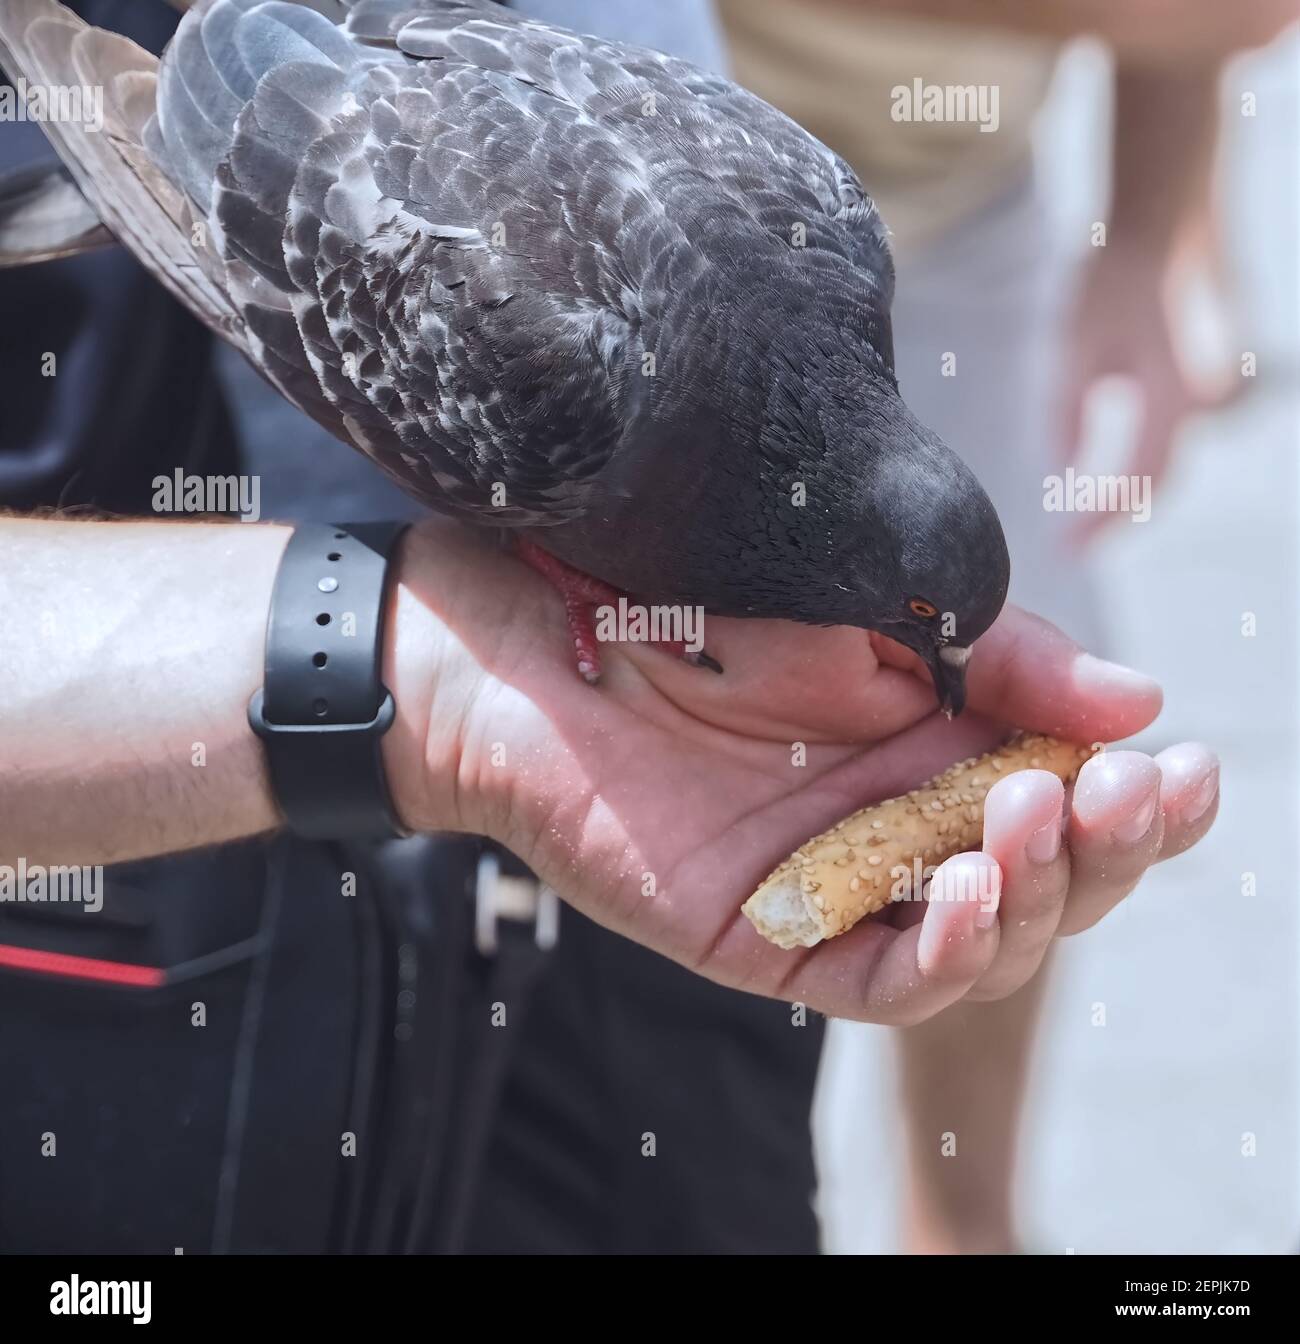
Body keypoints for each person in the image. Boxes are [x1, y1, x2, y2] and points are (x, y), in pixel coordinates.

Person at [0, 0, 1219, 1255]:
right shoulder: (574, 388)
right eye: (921, 628)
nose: (926, 663)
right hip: (332, 168)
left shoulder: (834, 225)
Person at [717, 0, 1290, 1252]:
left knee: (1007, 758)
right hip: (676, 205)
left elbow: (1191, 24)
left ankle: (961, 1224)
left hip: (960, 200)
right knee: (684, 732)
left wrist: (1144, 237)